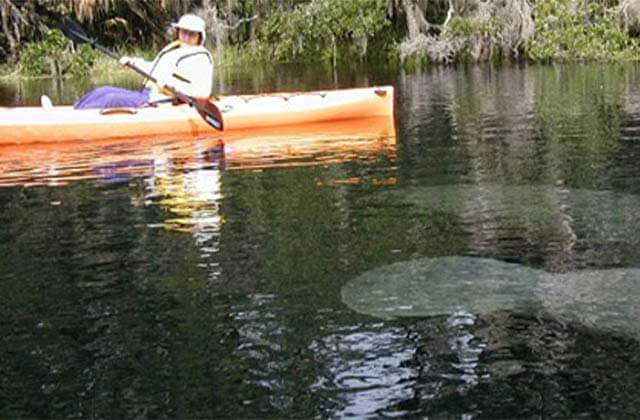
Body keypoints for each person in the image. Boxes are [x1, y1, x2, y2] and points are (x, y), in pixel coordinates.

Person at [72, 14, 213, 109]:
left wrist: (172, 85)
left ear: (199, 37)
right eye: (184, 32)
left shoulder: (201, 58)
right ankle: (75, 110)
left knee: (111, 98)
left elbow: (203, 92)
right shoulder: (175, 50)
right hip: (147, 95)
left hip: (162, 102)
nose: (186, 37)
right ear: (178, 32)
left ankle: (75, 120)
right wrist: (133, 62)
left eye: (191, 34)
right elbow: (153, 68)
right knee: (103, 91)